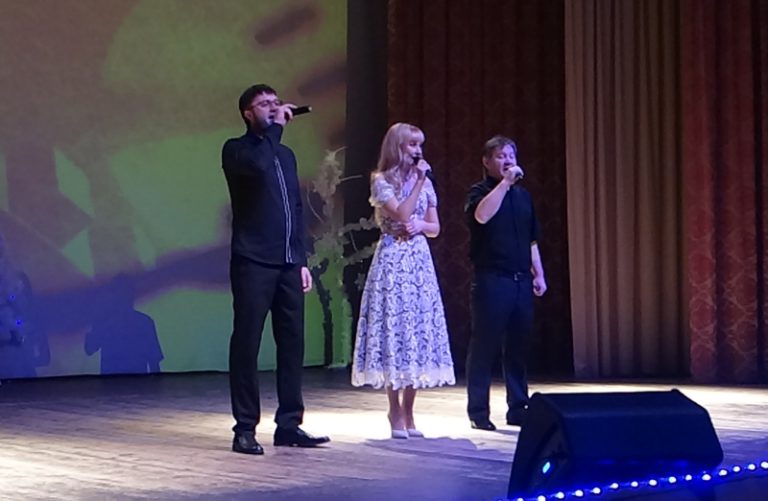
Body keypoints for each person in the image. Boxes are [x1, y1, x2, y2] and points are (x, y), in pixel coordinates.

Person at [222, 83, 329, 455]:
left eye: (275, 102)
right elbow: (257, 165)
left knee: (292, 344)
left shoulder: (285, 154)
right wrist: (277, 128)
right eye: (264, 104)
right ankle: (244, 428)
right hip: (253, 261)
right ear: (247, 113)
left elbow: (295, 210)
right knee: (247, 343)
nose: (273, 108)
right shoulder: (237, 150)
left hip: (287, 264)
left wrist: (300, 260)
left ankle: (289, 424)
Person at [352, 122, 455, 439]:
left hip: (419, 262)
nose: (418, 151)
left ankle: (409, 410)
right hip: (393, 260)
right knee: (395, 329)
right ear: (397, 147)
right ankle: (394, 410)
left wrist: (421, 226)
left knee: (416, 330)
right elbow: (401, 213)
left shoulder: (425, 183)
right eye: (412, 144)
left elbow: (435, 227)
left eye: (420, 144)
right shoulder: (381, 180)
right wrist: (419, 183)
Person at [463, 135, 547, 431]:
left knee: (518, 347)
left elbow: (531, 240)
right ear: (487, 162)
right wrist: (505, 183)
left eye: (511, 155)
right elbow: (482, 216)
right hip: (491, 280)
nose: (508, 160)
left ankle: (518, 407)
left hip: (521, 280)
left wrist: (539, 273)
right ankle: (478, 411)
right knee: (484, 346)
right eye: (500, 156)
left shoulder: (524, 197)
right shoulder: (479, 192)